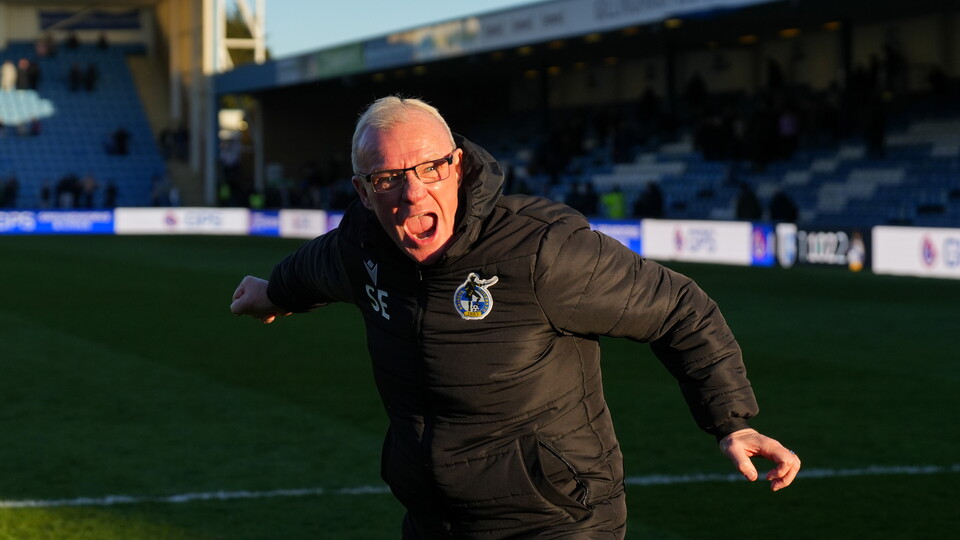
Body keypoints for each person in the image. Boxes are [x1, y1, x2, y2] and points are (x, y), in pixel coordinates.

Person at [230, 96, 800, 539]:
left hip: (554, 519)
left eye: (428, 168)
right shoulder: (363, 245)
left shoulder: (542, 250)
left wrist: (731, 420)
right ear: (362, 191)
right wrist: (273, 293)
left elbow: (679, 307)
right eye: (387, 178)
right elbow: (316, 267)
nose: (411, 191)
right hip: (435, 520)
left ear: (456, 166)